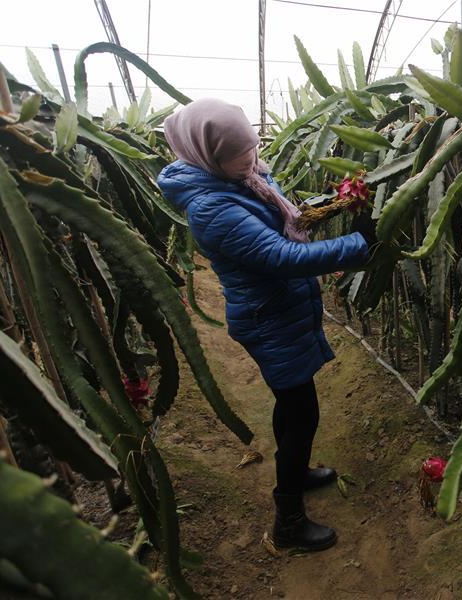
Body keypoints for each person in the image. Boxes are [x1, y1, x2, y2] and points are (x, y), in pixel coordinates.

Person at [157, 98, 374, 552]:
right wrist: (359, 243)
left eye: (254, 147)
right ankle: (288, 524)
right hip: (269, 319)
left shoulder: (241, 180)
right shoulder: (211, 208)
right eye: (242, 152)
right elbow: (282, 256)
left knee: (292, 406)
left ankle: (296, 474)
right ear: (208, 154)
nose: (253, 157)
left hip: (279, 312)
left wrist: (325, 208)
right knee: (301, 414)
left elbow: (280, 220)